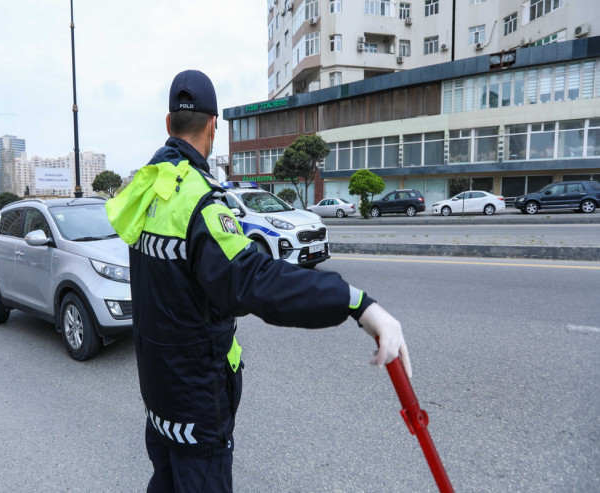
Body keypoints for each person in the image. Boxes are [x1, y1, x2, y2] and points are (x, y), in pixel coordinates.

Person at [106, 69, 411, 493]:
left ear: (168, 124)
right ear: (214, 125)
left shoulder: (143, 191)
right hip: (196, 407)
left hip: (158, 400)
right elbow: (255, 279)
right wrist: (354, 302)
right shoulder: (199, 202)